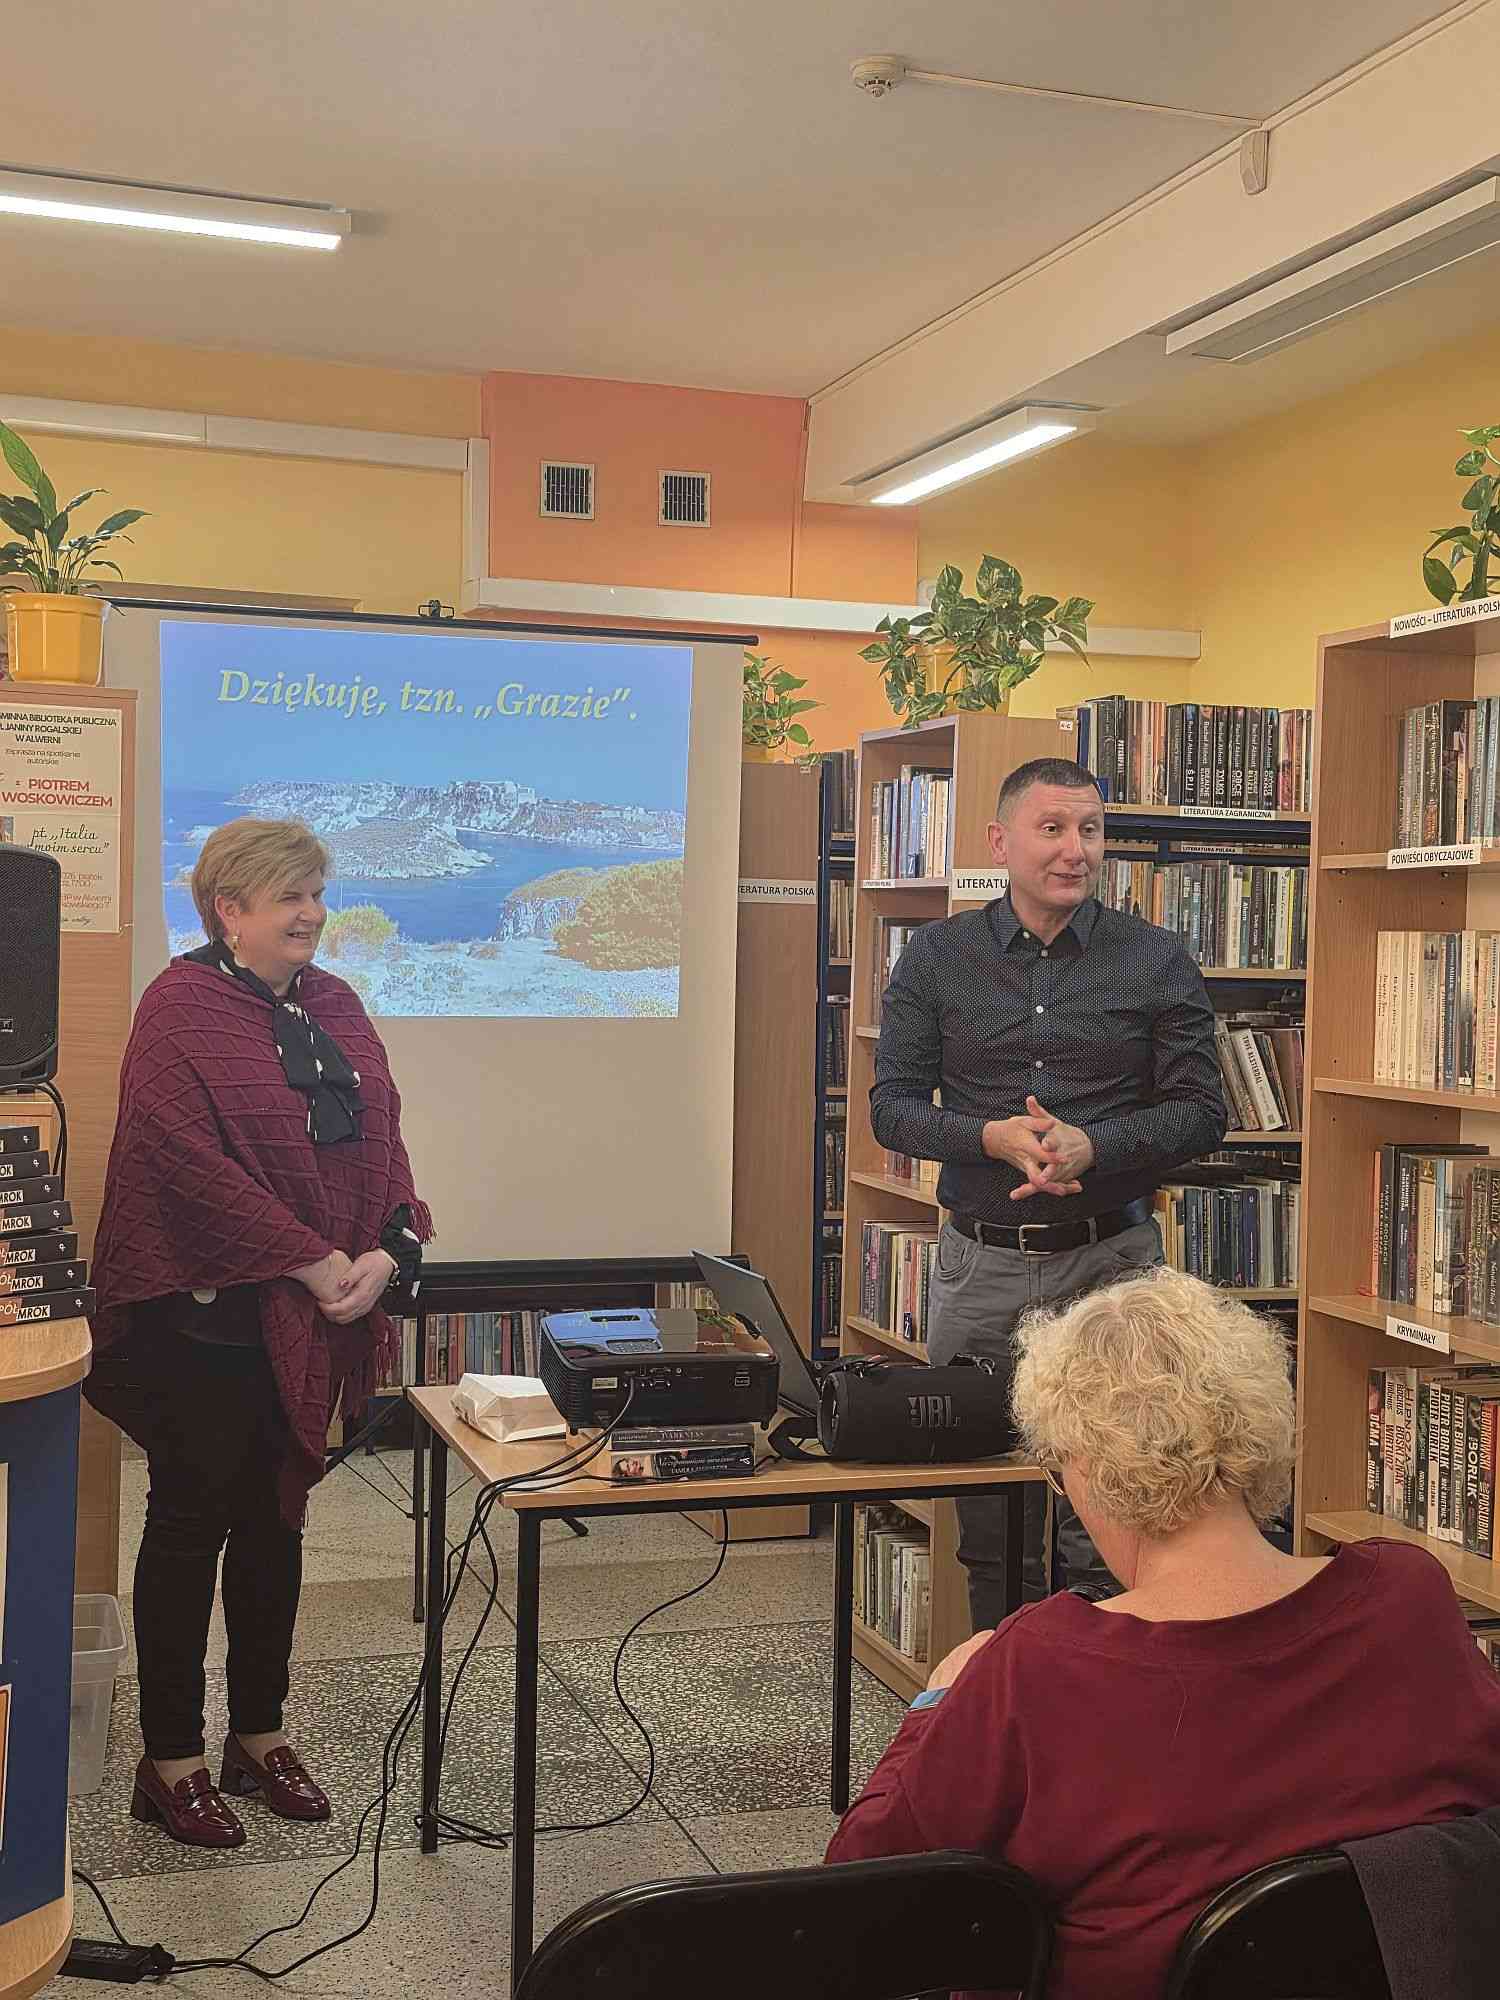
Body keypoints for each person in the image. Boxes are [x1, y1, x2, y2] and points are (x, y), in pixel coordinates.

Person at [827, 1269, 1500, 1999]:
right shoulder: (1408, 1597)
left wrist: (936, 1706)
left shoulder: (1038, 1666)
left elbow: (861, 1901)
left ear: (1086, 1468)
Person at [87, 818, 431, 1850]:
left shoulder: (337, 1003)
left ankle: (259, 1733)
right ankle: (170, 1758)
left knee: (277, 1523)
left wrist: (388, 1249)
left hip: (312, 1316)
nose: (313, 913)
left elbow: (382, 1136)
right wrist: (306, 1257)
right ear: (228, 909)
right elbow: (181, 1163)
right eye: (291, 896)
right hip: (204, 1322)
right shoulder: (178, 1007)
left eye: (317, 892)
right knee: (191, 1523)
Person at [871, 756, 1225, 1612]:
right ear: (1001, 842)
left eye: (1091, 831)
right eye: (1054, 829)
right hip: (981, 1269)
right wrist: (987, 1137)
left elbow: (1201, 1111)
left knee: (1116, 1525)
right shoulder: (939, 955)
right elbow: (890, 1108)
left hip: (1113, 1270)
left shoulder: (1155, 957)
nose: (1076, 850)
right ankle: (1006, 1686)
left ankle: (1103, 1690)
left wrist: (1094, 1147)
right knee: (992, 1529)